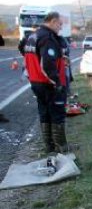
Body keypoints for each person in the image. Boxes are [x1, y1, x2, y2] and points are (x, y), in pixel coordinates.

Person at [22, 12, 69, 154]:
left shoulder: (32, 36)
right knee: (57, 114)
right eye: (60, 24)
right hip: (48, 83)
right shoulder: (48, 38)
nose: (60, 28)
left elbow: (23, 49)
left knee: (44, 113)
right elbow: (48, 64)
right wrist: (57, 83)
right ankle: (61, 148)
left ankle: (49, 147)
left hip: (36, 82)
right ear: (53, 21)